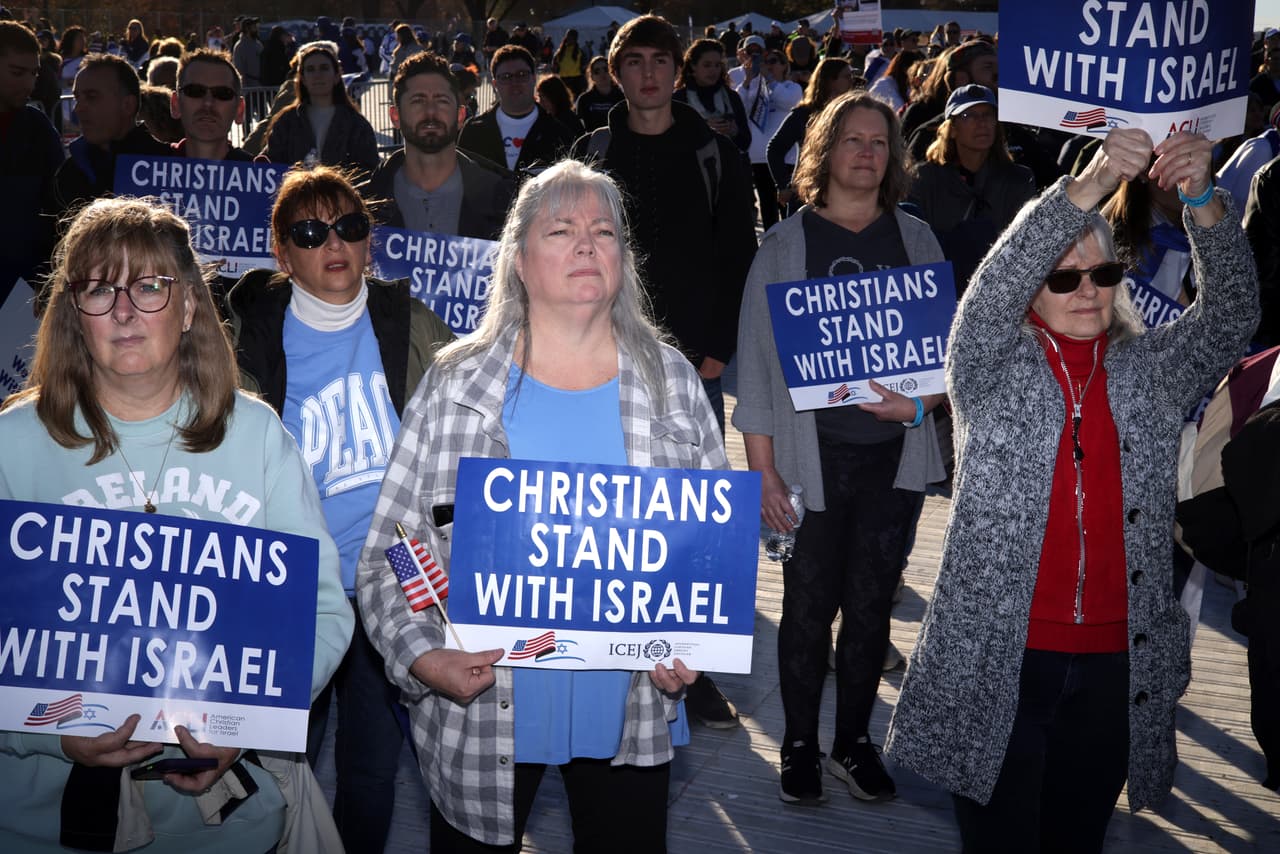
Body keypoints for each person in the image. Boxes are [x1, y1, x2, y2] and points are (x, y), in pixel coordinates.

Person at [886, 128, 1258, 851]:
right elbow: (991, 289)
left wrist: (1203, 200)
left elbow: (1232, 314)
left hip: (1117, 664)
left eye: (1103, 272)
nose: (1087, 290)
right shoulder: (987, 366)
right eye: (1062, 276)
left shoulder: (1151, 371)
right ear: (1031, 284)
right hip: (1000, 657)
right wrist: (1089, 185)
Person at [356, 158, 717, 850]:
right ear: (519, 262)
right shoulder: (457, 386)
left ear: (623, 258)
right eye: (561, 230)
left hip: (631, 707)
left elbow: (706, 553)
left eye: (604, 231)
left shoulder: (671, 381)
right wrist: (422, 656)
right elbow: (394, 552)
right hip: (482, 712)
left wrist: (693, 644)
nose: (587, 243)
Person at [0, 195, 354, 852]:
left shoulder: (256, 436)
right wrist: (47, 732)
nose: (124, 311)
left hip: (220, 826)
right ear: (74, 314)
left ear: (189, 306)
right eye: (99, 289)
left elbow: (323, 611)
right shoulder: (12, 445)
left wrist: (242, 725)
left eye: (149, 286)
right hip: (40, 820)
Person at [228, 165, 450, 854]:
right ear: (282, 252)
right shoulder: (247, 338)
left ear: (368, 240)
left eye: (350, 227)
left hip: (398, 574)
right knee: (284, 751)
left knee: (374, 765)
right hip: (299, 583)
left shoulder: (411, 322)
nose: (334, 243)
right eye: (310, 232)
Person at [735, 92, 948, 807]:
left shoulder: (917, 240)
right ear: (824, 152)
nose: (866, 152)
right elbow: (755, 370)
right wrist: (764, 473)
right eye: (853, 139)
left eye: (879, 142)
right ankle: (798, 744)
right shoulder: (783, 246)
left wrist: (917, 406)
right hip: (809, 464)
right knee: (807, 605)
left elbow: (947, 360)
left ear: (894, 157)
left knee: (869, 608)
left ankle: (853, 744)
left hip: (893, 460)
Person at [570, 14, 758, 731]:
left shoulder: (715, 154)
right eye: (634, 61)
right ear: (615, 72)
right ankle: (604, 648)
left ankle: (692, 670)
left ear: (678, 72)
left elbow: (738, 253)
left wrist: (718, 348)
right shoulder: (591, 151)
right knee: (610, 514)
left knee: (687, 522)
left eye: (659, 61)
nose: (647, 74)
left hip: (691, 363)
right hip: (600, 356)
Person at [364, 51, 516, 240]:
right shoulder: (363, 205)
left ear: (460, 116)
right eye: (418, 101)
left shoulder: (506, 201)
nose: (431, 111)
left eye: (442, 101)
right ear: (395, 116)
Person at [908, 84, 1035, 297]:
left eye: (988, 115)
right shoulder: (923, 179)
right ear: (952, 129)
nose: (982, 123)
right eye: (969, 116)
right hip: (942, 291)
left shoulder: (1019, 179)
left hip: (1000, 290)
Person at [48, 53, 171, 225]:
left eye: (92, 97)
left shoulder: (167, 167)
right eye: (77, 98)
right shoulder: (71, 171)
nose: (78, 109)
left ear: (127, 105)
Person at [0, 20, 63, 291]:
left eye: (34, 73)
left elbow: (59, 205)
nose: (29, 83)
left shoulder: (38, 129)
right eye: (17, 73)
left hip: (24, 289)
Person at [266, 41, 380, 178]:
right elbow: (271, 167)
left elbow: (369, 171)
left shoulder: (356, 123)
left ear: (337, 76)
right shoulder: (286, 121)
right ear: (303, 79)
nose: (317, 75)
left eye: (324, 68)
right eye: (310, 69)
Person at [458, 43, 575, 174]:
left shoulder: (559, 134)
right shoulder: (474, 132)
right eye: (506, 77)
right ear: (495, 84)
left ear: (534, 78)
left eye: (522, 74)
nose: (514, 83)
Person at [768, 57, 855, 218]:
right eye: (846, 76)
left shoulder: (854, 113)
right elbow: (775, 149)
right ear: (830, 81)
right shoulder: (804, 114)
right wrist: (783, 185)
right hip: (807, 195)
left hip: (844, 195)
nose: (852, 80)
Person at [736, 46, 802, 230]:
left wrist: (770, 81)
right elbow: (739, 106)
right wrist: (748, 80)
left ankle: (789, 239)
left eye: (773, 61)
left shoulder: (792, 87)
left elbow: (788, 101)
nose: (768, 65)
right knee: (767, 204)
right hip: (759, 156)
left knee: (786, 205)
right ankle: (769, 240)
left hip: (784, 156)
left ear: (784, 65)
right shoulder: (755, 88)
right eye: (765, 62)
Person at [672, 38, 750, 153]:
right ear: (693, 66)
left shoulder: (731, 97)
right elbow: (672, 143)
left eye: (717, 65)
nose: (713, 70)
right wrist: (703, 129)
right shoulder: (679, 99)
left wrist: (734, 132)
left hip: (728, 162)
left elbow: (745, 143)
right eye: (707, 65)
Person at [574, 54, 623, 133]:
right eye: (597, 71)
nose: (602, 73)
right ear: (592, 76)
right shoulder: (584, 100)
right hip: (593, 139)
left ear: (612, 72)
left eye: (606, 69)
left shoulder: (622, 97)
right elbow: (580, 128)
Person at [868, 49, 923, 114]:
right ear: (905, 68)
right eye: (916, 69)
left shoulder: (913, 87)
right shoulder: (885, 84)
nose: (918, 74)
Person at [535, 73, 584, 137]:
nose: (540, 102)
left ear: (554, 97)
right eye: (539, 97)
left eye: (543, 97)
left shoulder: (568, 121)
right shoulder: (543, 118)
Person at [551, 28, 586, 97]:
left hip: (576, 80)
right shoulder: (560, 52)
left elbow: (584, 66)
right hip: (563, 80)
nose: (570, 39)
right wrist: (554, 68)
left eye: (572, 37)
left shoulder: (579, 52)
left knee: (576, 100)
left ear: (575, 39)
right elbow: (554, 66)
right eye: (568, 37)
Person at [231, 16, 262, 89]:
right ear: (247, 29)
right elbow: (238, 68)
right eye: (254, 27)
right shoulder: (240, 46)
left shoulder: (258, 44)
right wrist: (244, 88)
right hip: (249, 88)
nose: (256, 29)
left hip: (261, 85)